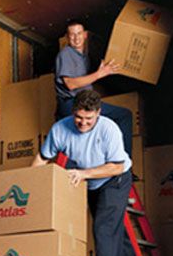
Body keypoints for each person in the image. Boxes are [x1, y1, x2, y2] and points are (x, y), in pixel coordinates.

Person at [32, 90, 154, 256]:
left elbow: (116, 167)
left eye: (89, 118)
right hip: (92, 183)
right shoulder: (60, 129)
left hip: (115, 179)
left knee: (104, 230)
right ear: (73, 112)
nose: (83, 123)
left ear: (98, 113)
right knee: (114, 234)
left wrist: (83, 174)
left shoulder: (108, 129)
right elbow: (42, 158)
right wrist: (29, 185)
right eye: (79, 117)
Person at [54, 19, 134, 157]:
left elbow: (85, 81)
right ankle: (123, 162)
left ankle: (111, 161)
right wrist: (99, 74)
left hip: (84, 102)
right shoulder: (66, 54)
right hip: (72, 103)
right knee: (124, 116)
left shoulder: (83, 57)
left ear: (85, 35)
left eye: (79, 33)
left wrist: (100, 72)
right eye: (72, 35)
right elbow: (70, 84)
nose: (76, 38)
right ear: (67, 37)